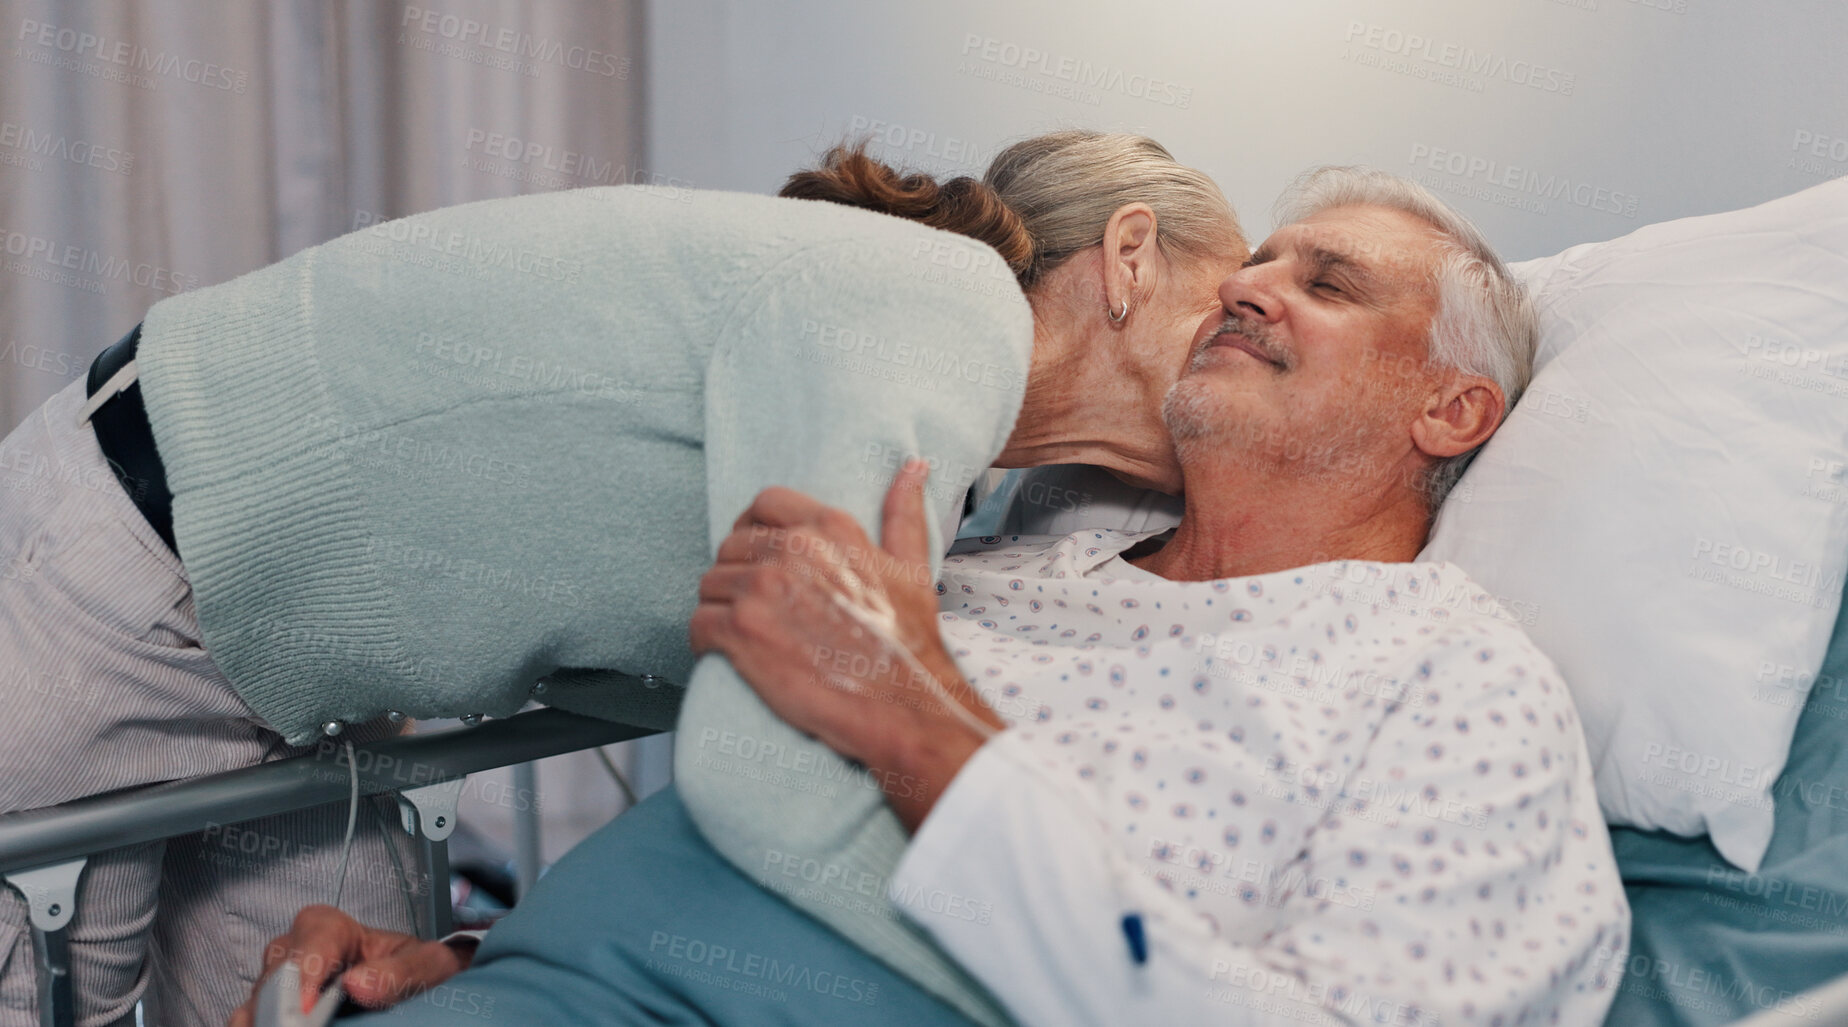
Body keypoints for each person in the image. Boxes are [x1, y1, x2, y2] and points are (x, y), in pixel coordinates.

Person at [241, 168, 1630, 1026]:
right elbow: (762, 816)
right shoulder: (1013, 557)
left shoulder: (1448, 677)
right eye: (1253, 260)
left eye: (1322, 282)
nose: (1245, 289)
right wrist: (460, 954)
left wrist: (917, 710)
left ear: (1448, 406)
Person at [0, 131, 1246, 1026]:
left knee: (312, 996)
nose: (1244, 338)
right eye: (1231, 301)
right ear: (1129, 256)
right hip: (131, 555)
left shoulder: (958, 481)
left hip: (287, 671)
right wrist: (1067, 974)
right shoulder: (949, 309)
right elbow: (762, 774)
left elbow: (690, 674)